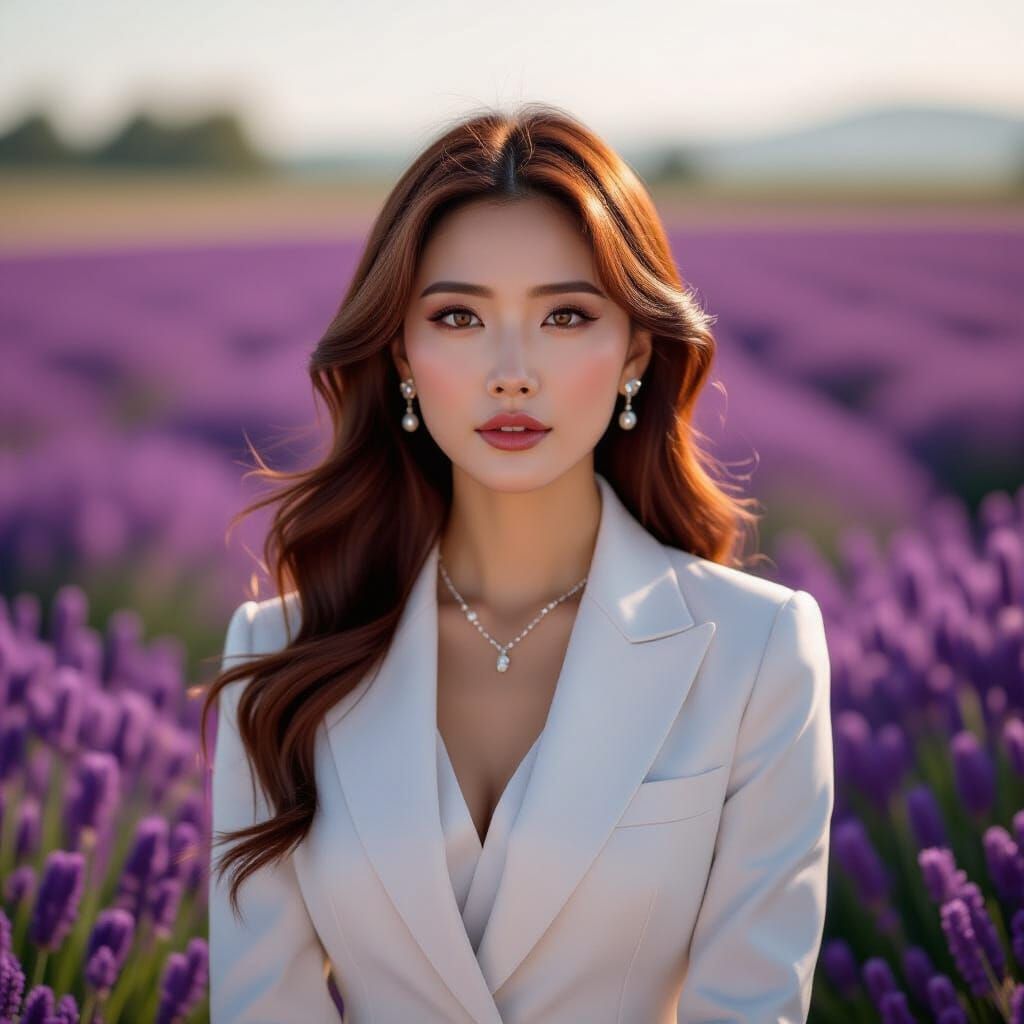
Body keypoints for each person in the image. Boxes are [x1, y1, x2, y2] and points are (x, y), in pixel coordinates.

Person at [203, 101, 834, 1023]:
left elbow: (751, 1004)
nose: (512, 372)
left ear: (635, 352)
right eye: (459, 316)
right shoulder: (281, 651)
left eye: (565, 316)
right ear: (402, 354)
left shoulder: (757, 650)